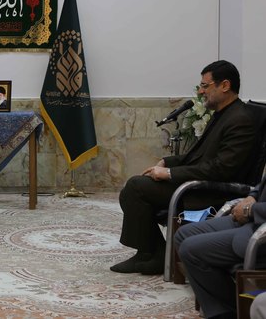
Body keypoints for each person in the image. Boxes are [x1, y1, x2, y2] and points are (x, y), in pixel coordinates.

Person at [111, 60, 255, 276]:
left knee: (135, 188)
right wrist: (167, 162)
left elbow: (221, 169)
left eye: (205, 86)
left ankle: (152, 254)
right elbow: (198, 156)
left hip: (211, 191)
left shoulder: (240, 119)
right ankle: (150, 253)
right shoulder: (223, 114)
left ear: (225, 85)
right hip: (199, 184)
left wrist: (170, 174)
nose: (201, 91)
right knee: (133, 189)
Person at [175, 172, 266, 319]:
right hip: (254, 216)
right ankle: (226, 306)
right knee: (183, 234)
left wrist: (251, 210)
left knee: (190, 249)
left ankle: (229, 311)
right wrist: (252, 196)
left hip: (261, 228)